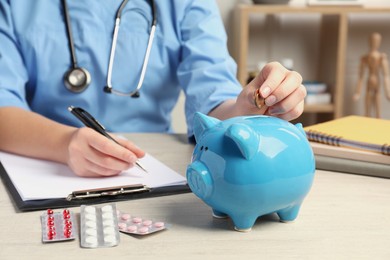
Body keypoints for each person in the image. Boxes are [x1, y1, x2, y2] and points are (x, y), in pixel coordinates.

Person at [0, 0, 306, 178]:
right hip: (42, 164)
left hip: (149, 170)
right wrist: (64, 143)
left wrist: (252, 103)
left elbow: (215, 104)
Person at [354, 32, 390, 118]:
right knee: (367, 110)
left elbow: (386, 76)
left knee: (378, 109)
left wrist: (388, 92)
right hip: (369, 82)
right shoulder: (365, 57)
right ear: (369, 41)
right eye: (373, 40)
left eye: (377, 41)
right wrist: (357, 92)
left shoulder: (382, 57)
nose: (375, 42)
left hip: (377, 83)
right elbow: (361, 76)